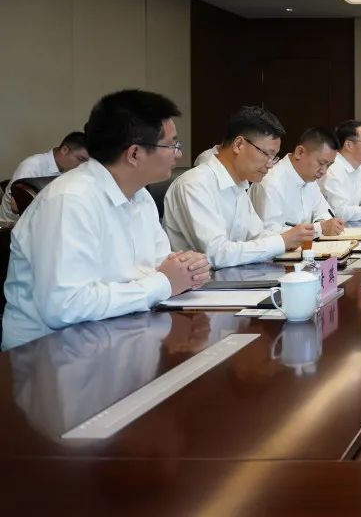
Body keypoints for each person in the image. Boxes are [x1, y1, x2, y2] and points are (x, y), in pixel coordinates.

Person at [2, 90, 211, 350]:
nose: (178, 155)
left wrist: (187, 268)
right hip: (50, 353)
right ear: (134, 154)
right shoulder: (70, 200)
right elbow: (65, 306)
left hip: (120, 335)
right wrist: (164, 282)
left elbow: (158, 266)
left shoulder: (141, 196)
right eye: (172, 145)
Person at [163, 106, 314, 268]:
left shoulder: (239, 186)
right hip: (202, 281)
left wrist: (292, 238)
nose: (270, 164)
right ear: (239, 144)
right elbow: (217, 254)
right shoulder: (195, 184)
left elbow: (256, 235)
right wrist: (281, 241)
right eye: (266, 154)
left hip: (234, 276)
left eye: (274, 157)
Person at [250, 127, 345, 237]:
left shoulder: (311, 180)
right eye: (321, 163)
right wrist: (319, 229)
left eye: (328, 165)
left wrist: (328, 225)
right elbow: (269, 234)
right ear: (300, 152)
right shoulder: (270, 182)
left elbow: (324, 213)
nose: (324, 171)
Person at [1, 132, 91, 223]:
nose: (82, 165)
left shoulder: (71, 170)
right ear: (64, 150)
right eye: (80, 159)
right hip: (12, 226)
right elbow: (15, 207)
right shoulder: (32, 165)